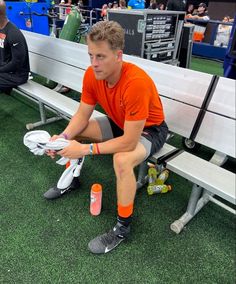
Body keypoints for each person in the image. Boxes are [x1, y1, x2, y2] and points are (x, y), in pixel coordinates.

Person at [44, 20, 168, 254]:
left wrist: (84, 150)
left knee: (121, 160)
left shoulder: (136, 82)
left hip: (150, 130)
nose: (93, 63)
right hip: (120, 122)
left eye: (100, 56)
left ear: (118, 55)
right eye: (90, 55)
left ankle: (122, 228)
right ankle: (73, 178)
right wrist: (62, 138)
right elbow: (82, 115)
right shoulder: (93, 74)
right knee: (76, 131)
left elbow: (129, 142)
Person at [0, 0, 29, 94]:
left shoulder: (13, 33)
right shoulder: (1, 29)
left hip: (17, 75)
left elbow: (16, 63)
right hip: (5, 70)